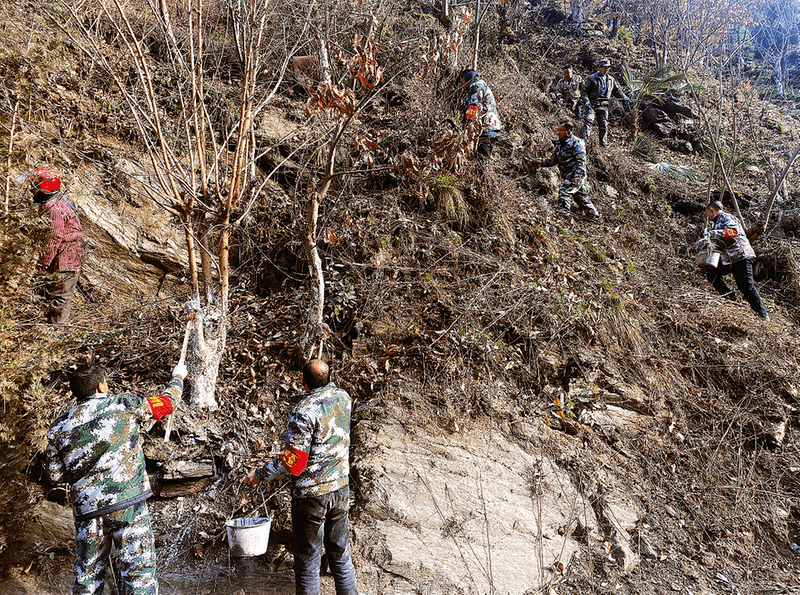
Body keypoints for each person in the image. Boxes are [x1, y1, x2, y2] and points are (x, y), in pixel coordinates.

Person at [46, 361, 186, 595]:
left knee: (87, 583)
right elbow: (167, 404)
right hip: (128, 508)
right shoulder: (125, 404)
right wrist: (178, 378)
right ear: (101, 386)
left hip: (87, 514)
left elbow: (55, 476)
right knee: (138, 579)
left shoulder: (58, 427)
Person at [245, 359, 357, 595]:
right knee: (340, 553)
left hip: (312, 496)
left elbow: (293, 464)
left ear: (303, 381)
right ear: (328, 378)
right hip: (340, 489)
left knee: (307, 561)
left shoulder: (304, 410)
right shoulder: (343, 398)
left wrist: (260, 474)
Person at [29, 166, 85, 325]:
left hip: (65, 262)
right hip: (65, 260)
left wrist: (42, 263)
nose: (31, 190)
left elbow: (53, 238)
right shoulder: (54, 203)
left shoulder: (52, 208)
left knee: (58, 301)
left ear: (44, 190)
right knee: (50, 298)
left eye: (34, 187)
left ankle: (56, 337)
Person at [704, 200, 769, 319]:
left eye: (708, 213)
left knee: (746, 286)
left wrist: (712, 233)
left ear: (711, 210)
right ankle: (731, 298)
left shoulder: (726, 217)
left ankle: (762, 315)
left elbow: (733, 232)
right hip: (729, 259)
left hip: (741, 256)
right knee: (712, 274)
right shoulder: (718, 222)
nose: (708, 217)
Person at [533, 120, 600, 221]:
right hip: (568, 174)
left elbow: (581, 160)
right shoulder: (559, 144)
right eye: (558, 130)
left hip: (575, 173)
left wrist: (578, 176)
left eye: (561, 130)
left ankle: (564, 218)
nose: (558, 132)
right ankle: (594, 216)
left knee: (564, 192)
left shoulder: (576, 142)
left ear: (568, 131)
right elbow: (553, 160)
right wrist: (541, 162)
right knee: (580, 197)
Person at [580, 58, 631, 147]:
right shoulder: (591, 78)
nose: (607, 69)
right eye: (605, 67)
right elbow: (584, 92)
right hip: (592, 104)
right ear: (600, 67)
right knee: (588, 121)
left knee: (603, 125)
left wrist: (624, 97)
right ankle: (583, 144)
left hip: (604, 105)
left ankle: (603, 146)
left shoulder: (611, 79)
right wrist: (587, 102)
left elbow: (617, 91)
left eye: (608, 68)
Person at [457, 68, 503, 161]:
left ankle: (482, 175)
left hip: (486, 128)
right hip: (489, 127)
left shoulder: (476, 86)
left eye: (462, 83)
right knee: (481, 159)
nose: (462, 87)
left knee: (481, 161)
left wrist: (466, 125)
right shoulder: (480, 85)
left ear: (468, 78)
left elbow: (474, 106)